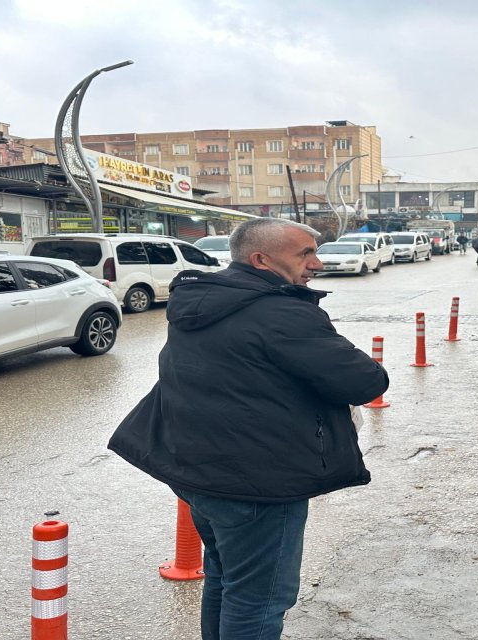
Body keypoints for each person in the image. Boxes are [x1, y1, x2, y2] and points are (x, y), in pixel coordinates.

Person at [108, 217, 389, 640]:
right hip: (257, 482)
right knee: (259, 598)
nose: (317, 263)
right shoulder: (282, 314)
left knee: (225, 578)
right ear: (261, 259)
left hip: (198, 471)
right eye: (305, 254)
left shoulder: (202, 300)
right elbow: (366, 381)